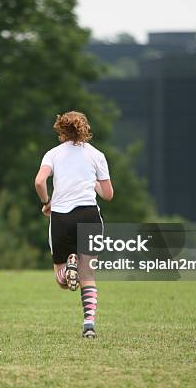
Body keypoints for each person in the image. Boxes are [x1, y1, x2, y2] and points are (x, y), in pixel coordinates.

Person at [34, 111, 113, 338]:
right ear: (85, 128)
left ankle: (70, 263)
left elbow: (40, 181)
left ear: (61, 129)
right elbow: (108, 194)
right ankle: (89, 324)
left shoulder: (53, 154)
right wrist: (94, 185)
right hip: (89, 215)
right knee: (88, 275)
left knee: (62, 280)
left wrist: (46, 202)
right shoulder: (97, 155)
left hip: (61, 217)